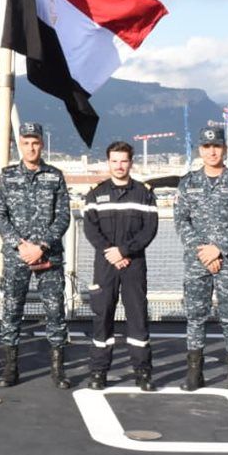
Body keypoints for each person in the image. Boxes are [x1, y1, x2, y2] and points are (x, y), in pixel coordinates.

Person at [174, 126, 228, 393]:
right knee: (195, 317)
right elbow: (181, 220)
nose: (212, 151)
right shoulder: (187, 183)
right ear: (200, 150)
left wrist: (218, 248)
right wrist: (205, 252)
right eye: (207, 147)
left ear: (225, 149)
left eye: (217, 146)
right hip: (197, 261)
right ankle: (194, 374)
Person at [0, 122, 72, 388]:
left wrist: (42, 246)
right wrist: (19, 245)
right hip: (17, 256)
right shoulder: (7, 176)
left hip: (49, 256)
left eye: (35, 142)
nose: (31, 147)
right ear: (20, 145)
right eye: (26, 143)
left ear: (42, 144)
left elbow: (63, 217)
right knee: (11, 310)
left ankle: (58, 370)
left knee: (55, 310)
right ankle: (10, 368)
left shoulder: (55, 176)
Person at [82, 141, 159, 392]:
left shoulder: (144, 193)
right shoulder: (96, 193)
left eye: (123, 161)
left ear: (130, 163)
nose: (119, 166)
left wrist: (124, 251)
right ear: (108, 162)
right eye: (114, 161)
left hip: (134, 263)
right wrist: (112, 252)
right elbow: (90, 228)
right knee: (102, 316)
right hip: (105, 264)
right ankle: (98, 371)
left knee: (137, 317)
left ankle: (143, 372)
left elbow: (150, 229)